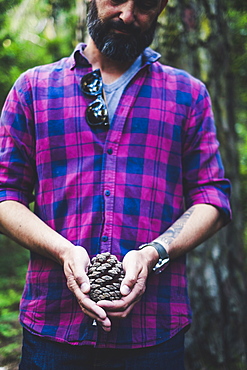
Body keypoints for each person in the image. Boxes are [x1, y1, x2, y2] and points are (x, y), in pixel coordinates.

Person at [0, 0, 231, 369]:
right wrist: (63, 251)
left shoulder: (188, 95)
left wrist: (153, 253)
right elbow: (4, 195)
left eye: (144, 5)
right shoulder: (33, 89)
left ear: (163, 7)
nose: (126, 14)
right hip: (52, 327)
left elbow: (212, 198)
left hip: (154, 332)